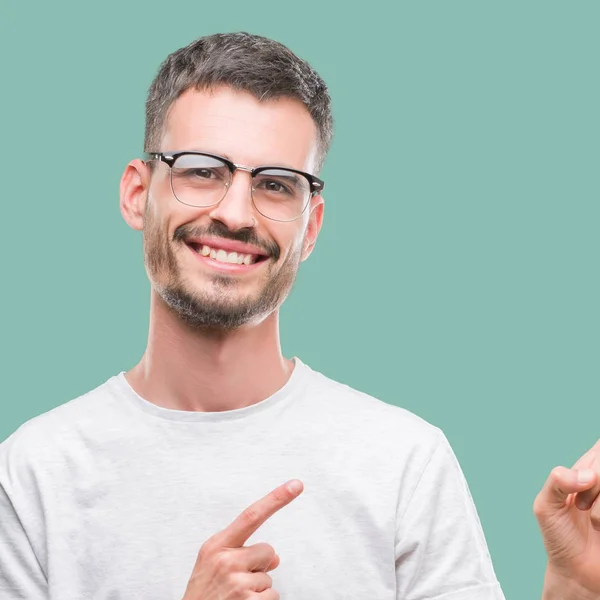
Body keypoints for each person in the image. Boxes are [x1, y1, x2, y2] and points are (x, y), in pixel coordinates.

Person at [0, 31, 597, 600]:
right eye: (202, 170)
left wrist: (571, 591)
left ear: (310, 226)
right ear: (137, 193)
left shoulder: (404, 462)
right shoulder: (33, 474)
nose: (236, 213)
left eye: (276, 185)